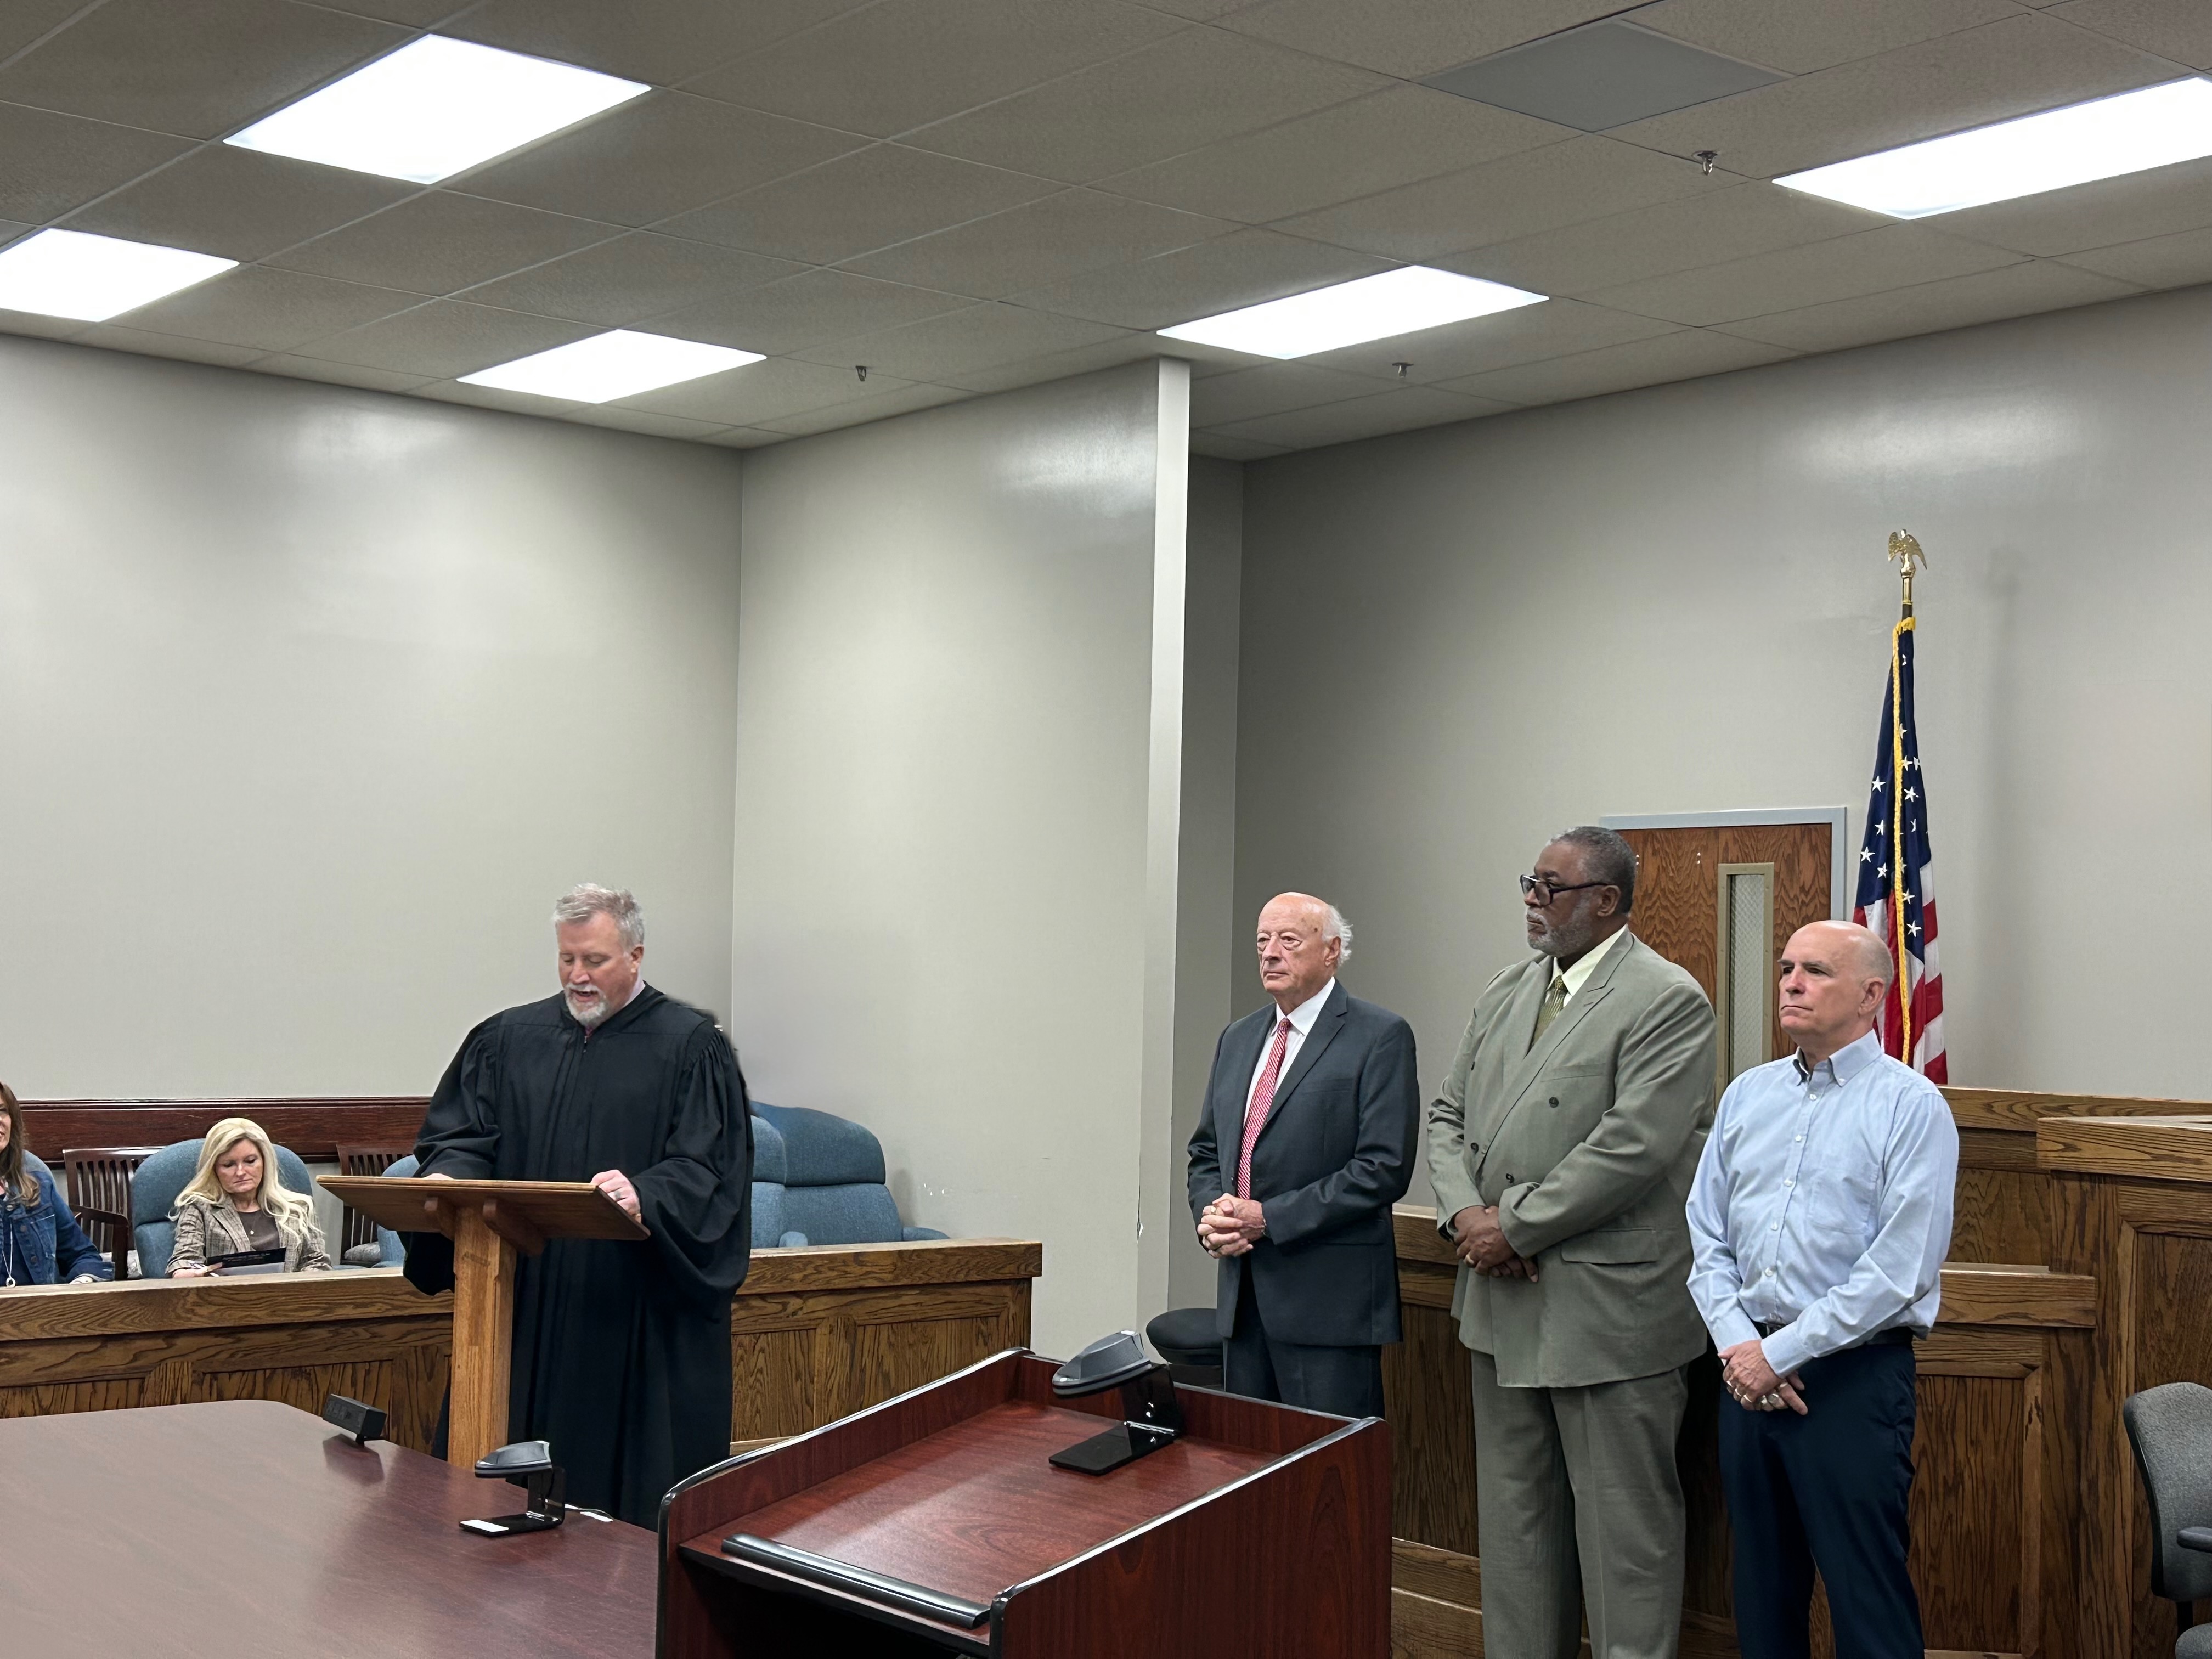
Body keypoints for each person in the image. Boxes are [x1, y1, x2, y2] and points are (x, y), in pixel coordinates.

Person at [1426, 826, 1717, 1659]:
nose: (1531, 899)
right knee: (1517, 1535)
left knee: (1625, 1543)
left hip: (1607, 1312)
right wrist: (1465, 1220)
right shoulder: (1507, 990)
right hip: (1503, 1301)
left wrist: (1510, 1225)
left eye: (1549, 887)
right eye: (1529, 882)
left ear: (1607, 901)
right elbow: (1447, 1118)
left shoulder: (1667, 999)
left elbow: (1632, 1148)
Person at [405, 883, 753, 1526]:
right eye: (567, 960)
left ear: (636, 955)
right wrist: (456, 1174)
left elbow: (709, 1166)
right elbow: (460, 1136)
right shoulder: (506, 1039)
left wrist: (645, 1193)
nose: (578, 976)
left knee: (615, 1502)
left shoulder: (691, 1046)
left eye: (594, 960)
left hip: (630, 1305)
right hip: (524, 1296)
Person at [1686, 921, 1956, 1659]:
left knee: (1866, 1601)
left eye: (1815, 971)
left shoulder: (1911, 1106)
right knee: (1763, 1603)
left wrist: (1782, 1352)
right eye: (1785, 968)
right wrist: (1743, 1346)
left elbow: (1900, 1269)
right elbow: (1705, 1233)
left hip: (1849, 1379)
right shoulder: (1748, 1096)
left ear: (1873, 995)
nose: (1791, 983)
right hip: (1746, 1379)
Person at [1186, 892, 1419, 1419]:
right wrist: (1214, 1218)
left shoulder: (1379, 1036)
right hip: (1243, 1301)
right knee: (1248, 1472)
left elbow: (1382, 1168)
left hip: (1329, 1307)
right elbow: (1206, 1150)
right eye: (1263, 941)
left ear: (1332, 951)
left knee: (1328, 1481)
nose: (1270, 953)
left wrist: (1268, 1217)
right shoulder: (1239, 1037)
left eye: (1288, 940)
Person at [166, 1116, 332, 1276]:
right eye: (229, 1165)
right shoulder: (199, 1208)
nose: (240, 1172)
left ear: (265, 1162)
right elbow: (184, 1261)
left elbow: (317, 1263)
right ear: (214, 1169)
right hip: (225, 1301)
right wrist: (190, 1274)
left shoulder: (299, 1208)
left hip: (288, 1301)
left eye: (250, 1161)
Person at [0, 1081, 113, 1288]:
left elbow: (82, 1255)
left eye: (2, 1111)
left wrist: (81, 1284)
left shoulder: (39, 1186)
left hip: (42, 1313)